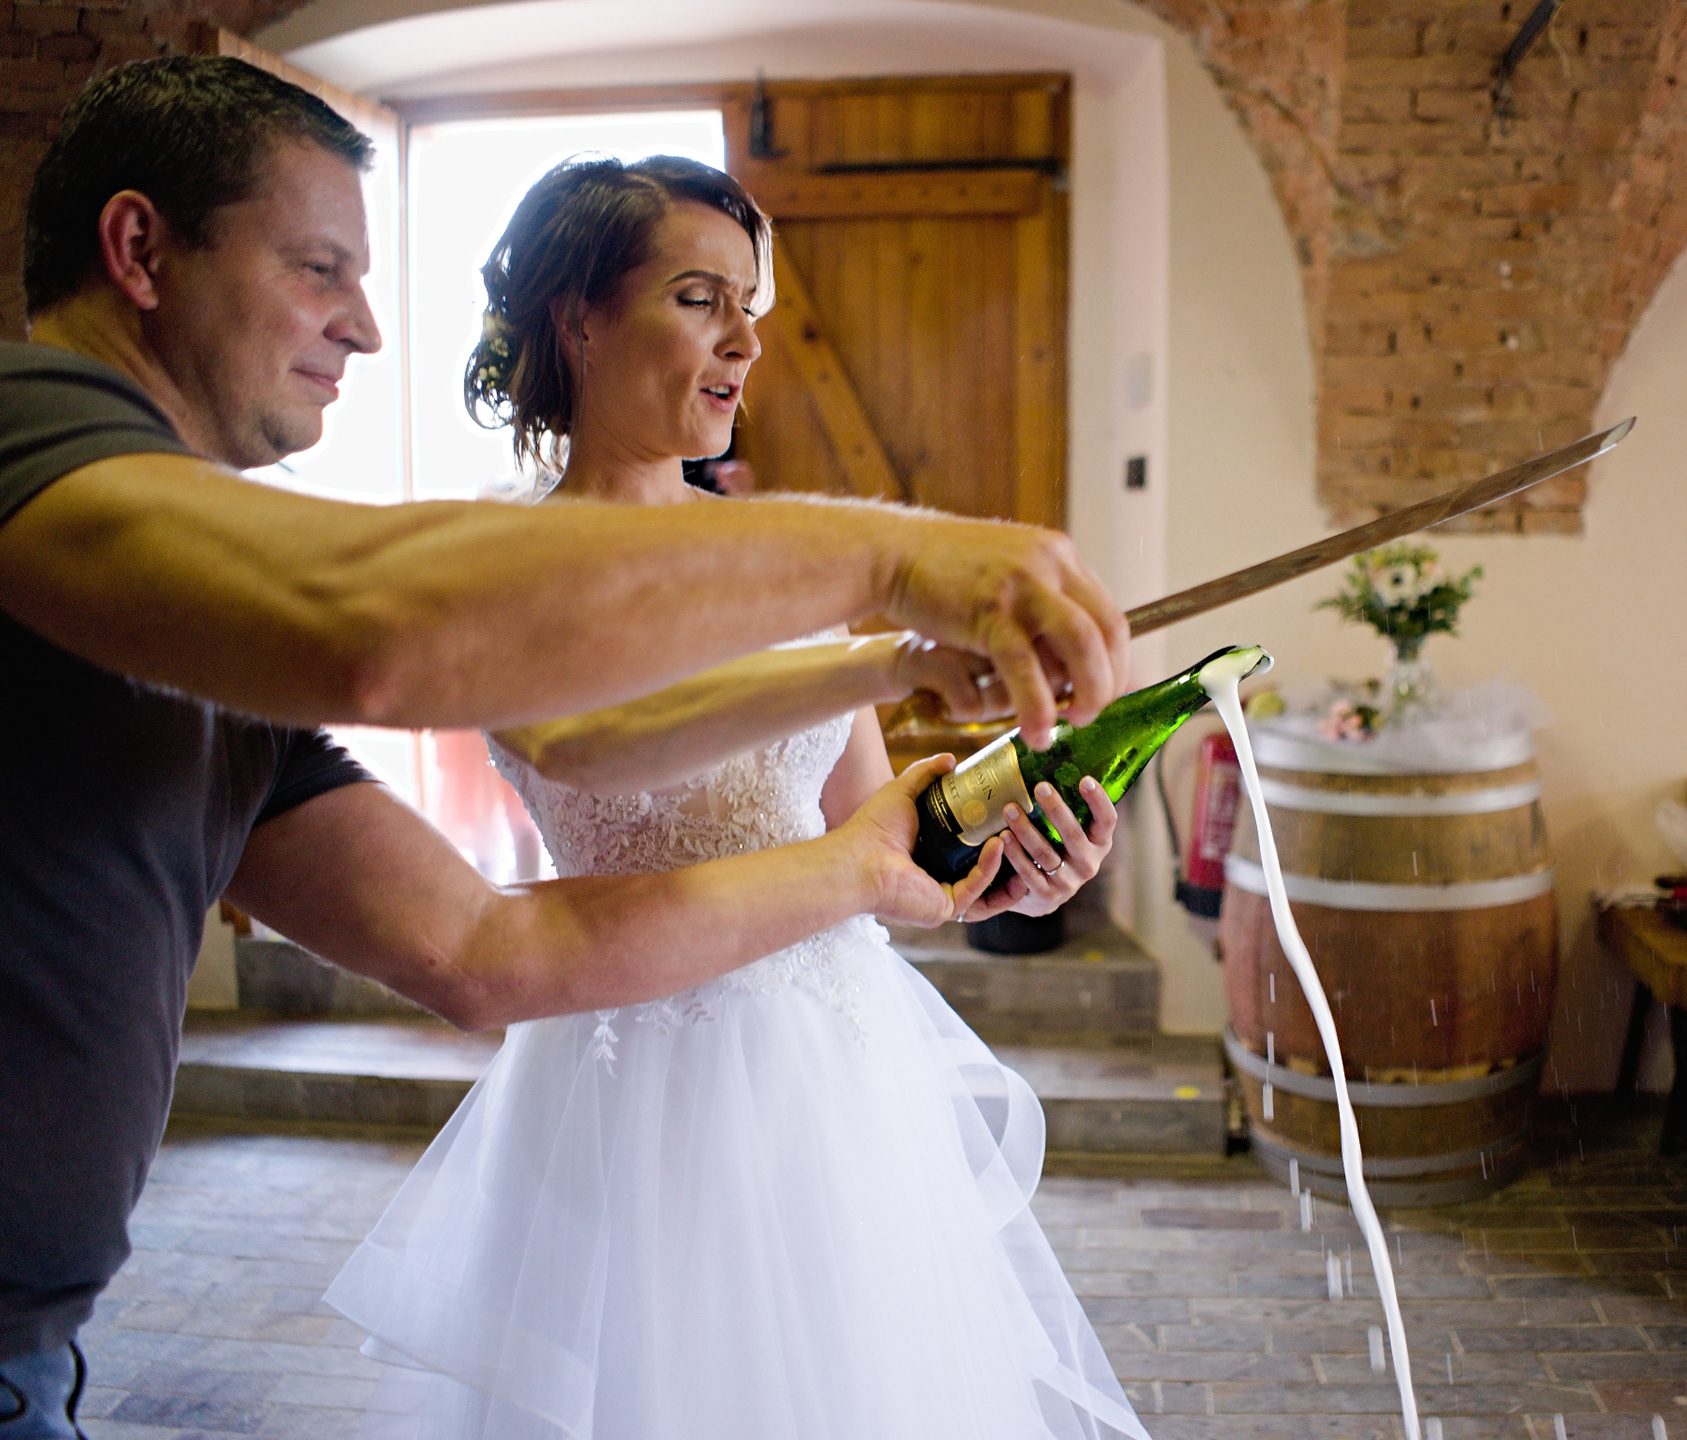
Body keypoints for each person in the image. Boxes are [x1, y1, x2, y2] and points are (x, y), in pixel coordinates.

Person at [0, 57, 1130, 1438]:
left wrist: (941, 855)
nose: (365, 326)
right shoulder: (24, 438)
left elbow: (480, 951)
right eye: (318, 268)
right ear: (138, 250)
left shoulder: (214, 665)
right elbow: (445, 661)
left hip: (36, 1347)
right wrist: (894, 570)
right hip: (630, 1105)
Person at [322, 156, 1149, 1440]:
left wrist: (997, 862)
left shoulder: (777, 563)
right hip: (639, 1095)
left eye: (750, 306)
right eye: (700, 299)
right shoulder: (505, 566)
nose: (748, 342)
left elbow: (866, 838)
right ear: (580, 319)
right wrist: (891, 655)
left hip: (839, 1082)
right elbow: (595, 740)